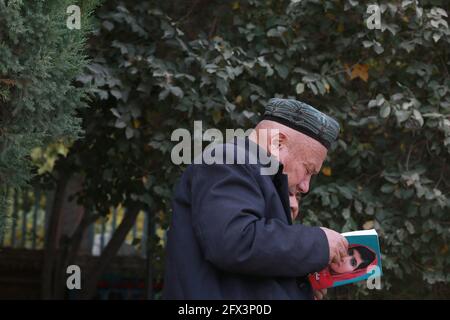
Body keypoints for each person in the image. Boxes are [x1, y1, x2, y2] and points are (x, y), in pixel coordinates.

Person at [163, 98, 348, 300]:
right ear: (278, 143)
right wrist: (318, 243)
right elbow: (234, 242)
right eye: (308, 169)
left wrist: (296, 286)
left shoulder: (251, 171)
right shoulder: (228, 160)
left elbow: (248, 269)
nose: (306, 185)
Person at [309, 245, 378, 290]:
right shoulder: (317, 247)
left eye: (353, 262)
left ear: (353, 272)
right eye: (350, 252)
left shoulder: (322, 285)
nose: (344, 258)